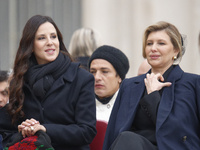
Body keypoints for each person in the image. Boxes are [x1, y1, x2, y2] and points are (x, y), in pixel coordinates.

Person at [0, 15, 96, 150]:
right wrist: (24, 130)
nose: (50, 42)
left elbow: (87, 131)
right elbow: (8, 129)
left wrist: (44, 129)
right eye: (41, 38)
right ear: (31, 45)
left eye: (53, 36)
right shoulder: (20, 79)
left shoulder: (82, 78)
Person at [103, 21, 200, 150]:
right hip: (132, 146)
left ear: (176, 50)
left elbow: (177, 130)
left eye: (161, 43)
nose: (153, 48)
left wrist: (153, 95)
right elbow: (113, 134)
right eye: (149, 43)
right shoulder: (130, 85)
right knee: (126, 138)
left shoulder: (192, 84)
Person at [88, 45, 129, 123]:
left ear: (119, 77)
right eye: (93, 72)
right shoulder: (80, 105)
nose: (97, 77)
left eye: (104, 72)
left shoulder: (130, 107)